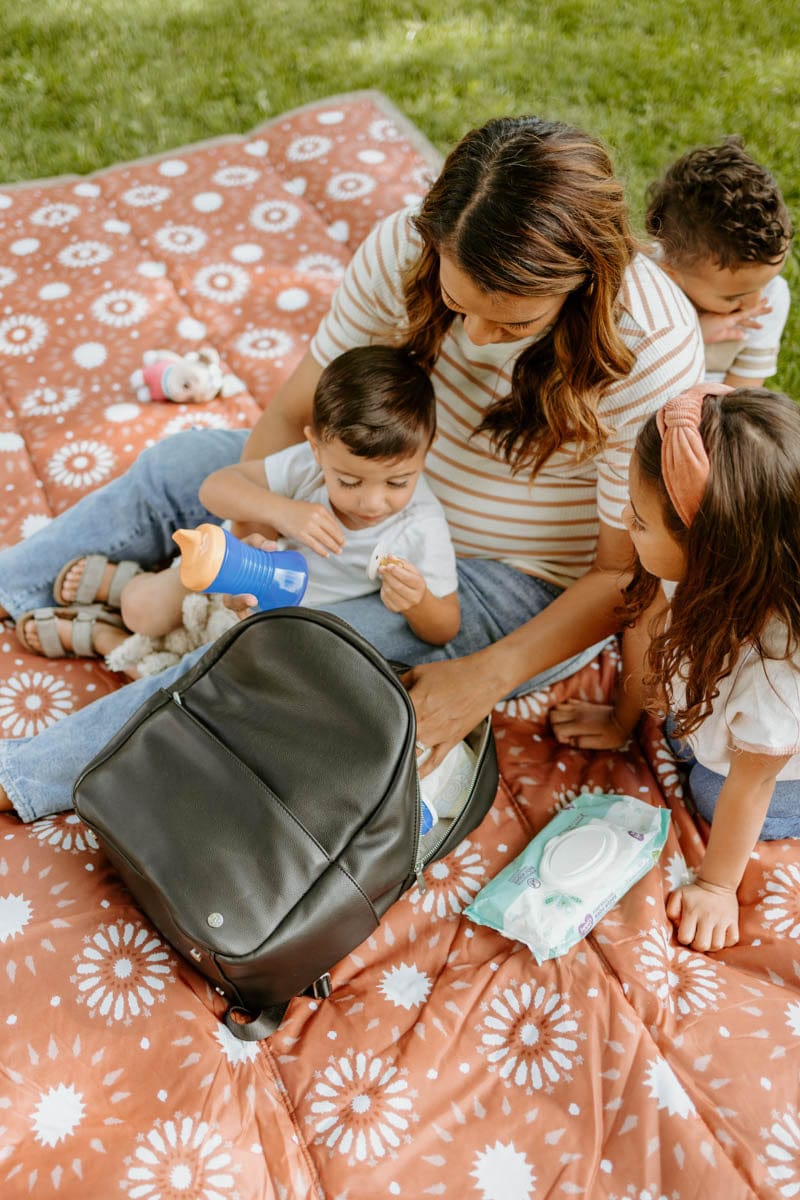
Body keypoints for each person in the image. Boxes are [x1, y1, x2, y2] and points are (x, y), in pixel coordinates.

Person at [0, 114, 704, 821]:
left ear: (585, 281)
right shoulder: (404, 248)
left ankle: (25, 776)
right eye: (457, 305)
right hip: (362, 482)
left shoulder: (650, 348)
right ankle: (15, 582)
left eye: (514, 323)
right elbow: (292, 412)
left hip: (510, 580)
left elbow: (622, 574)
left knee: (279, 652)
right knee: (179, 464)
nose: (479, 337)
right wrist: (253, 530)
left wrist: (486, 676)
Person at [18, 346, 460, 671]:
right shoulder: (306, 469)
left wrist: (417, 600)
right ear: (316, 447)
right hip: (225, 570)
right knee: (143, 610)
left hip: (268, 624)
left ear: (428, 451)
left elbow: (444, 628)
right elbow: (215, 488)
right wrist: (282, 511)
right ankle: (127, 592)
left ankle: (104, 637)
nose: (372, 502)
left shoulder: (419, 526)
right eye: (348, 481)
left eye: (398, 482)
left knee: (200, 682)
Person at [551, 385, 800, 954]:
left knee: (710, 791)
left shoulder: (777, 674)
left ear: (710, 548)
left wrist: (716, 886)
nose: (624, 520)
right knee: (677, 735)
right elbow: (646, 629)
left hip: (776, 770)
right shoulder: (691, 570)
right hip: (710, 719)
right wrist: (621, 720)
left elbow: (753, 784)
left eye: (639, 521)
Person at [645, 136, 792, 387]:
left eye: (765, 283)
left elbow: (737, 397)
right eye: (733, 298)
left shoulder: (773, 296)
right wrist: (693, 335)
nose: (756, 302)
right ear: (671, 274)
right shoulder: (646, 284)